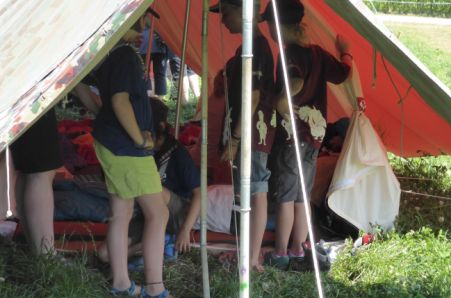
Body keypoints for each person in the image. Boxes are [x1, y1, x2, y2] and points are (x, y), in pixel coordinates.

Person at [89, 14, 182, 298]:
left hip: (112, 141)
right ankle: (155, 290)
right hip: (127, 147)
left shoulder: (105, 56)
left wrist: (104, 117)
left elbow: (81, 86)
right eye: (140, 20)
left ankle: (121, 284)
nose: (144, 27)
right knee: (159, 213)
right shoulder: (126, 55)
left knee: (121, 212)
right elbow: (120, 101)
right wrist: (139, 139)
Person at [261, 0, 353, 270]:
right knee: (302, 194)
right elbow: (343, 74)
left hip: (292, 137)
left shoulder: (289, 54)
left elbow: (295, 79)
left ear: (277, 26)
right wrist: (346, 53)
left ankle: (281, 252)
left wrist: (281, 100)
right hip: (315, 136)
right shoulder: (318, 53)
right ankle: (298, 247)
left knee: (285, 196)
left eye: (269, 24)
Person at [210, 0, 275, 272]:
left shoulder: (257, 48)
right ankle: (247, 252)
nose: (223, 19)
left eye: (226, 12)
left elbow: (254, 97)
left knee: (256, 189)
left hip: (253, 131)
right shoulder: (245, 49)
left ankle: (252, 258)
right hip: (245, 129)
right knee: (248, 190)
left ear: (242, 10)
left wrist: (235, 139)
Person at [97, 97, 201, 263]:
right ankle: (149, 245)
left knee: (154, 188)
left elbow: (199, 193)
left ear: (160, 127)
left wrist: (185, 230)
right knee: (104, 254)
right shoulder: (137, 151)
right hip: (146, 214)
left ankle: (161, 239)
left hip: (178, 214)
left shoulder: (177, 152)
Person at [10, 108, 63, 255]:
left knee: (29, 170)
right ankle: (45, 254)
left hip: (22, 103)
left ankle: (37, 248)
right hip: (31, 102)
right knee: (40, 171)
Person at [140, 27, 168, 97]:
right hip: (152, 47)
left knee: (146, 73)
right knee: (149, 73)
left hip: (149, 47)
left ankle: (149, 97)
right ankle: (152, 98)